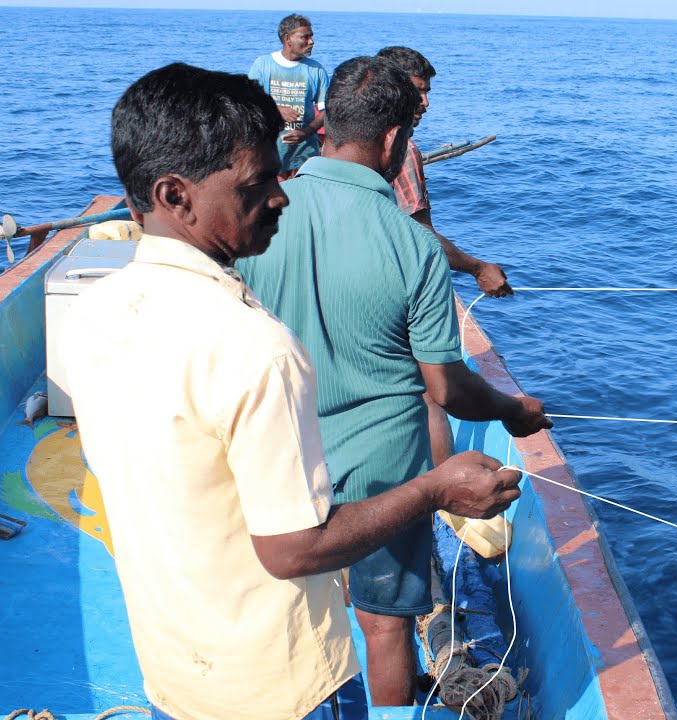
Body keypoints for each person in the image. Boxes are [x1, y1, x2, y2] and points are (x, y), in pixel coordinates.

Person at [60, 62, 523, 720]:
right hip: (286, 689)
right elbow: (291, 551)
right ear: (175, 196)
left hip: (173, 675)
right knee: (386, 622)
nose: (280, 196)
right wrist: (435, 488)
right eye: (257, 185)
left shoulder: (92, 316)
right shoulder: (257, 349)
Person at [235, 56, 552, 707]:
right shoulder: (414, 247)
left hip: (275, 455)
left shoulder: (261, 215)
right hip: (381, 473)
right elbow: (446, 389)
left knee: (287, 618)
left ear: (326, 124)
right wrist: (512, 408)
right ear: (392, 141)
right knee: (385, 630)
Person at [376, 45, 512, 465]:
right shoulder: (405, 151)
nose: (426, 103)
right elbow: (421, 234)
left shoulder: (332, 137)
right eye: (419, 92)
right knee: (430, 396)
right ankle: (440, 495)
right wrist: (478, 267)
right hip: (392, 293)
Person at [249, 13, 329, 179]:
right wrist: (276, 109)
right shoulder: (263, 65)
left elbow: (326, 110)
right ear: (287, 39)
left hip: (304, 156)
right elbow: (250, 102)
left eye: (311, 37)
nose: (311, 42)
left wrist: (307, 132)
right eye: (304, 37)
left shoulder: (316, 70)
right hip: (270, 153)